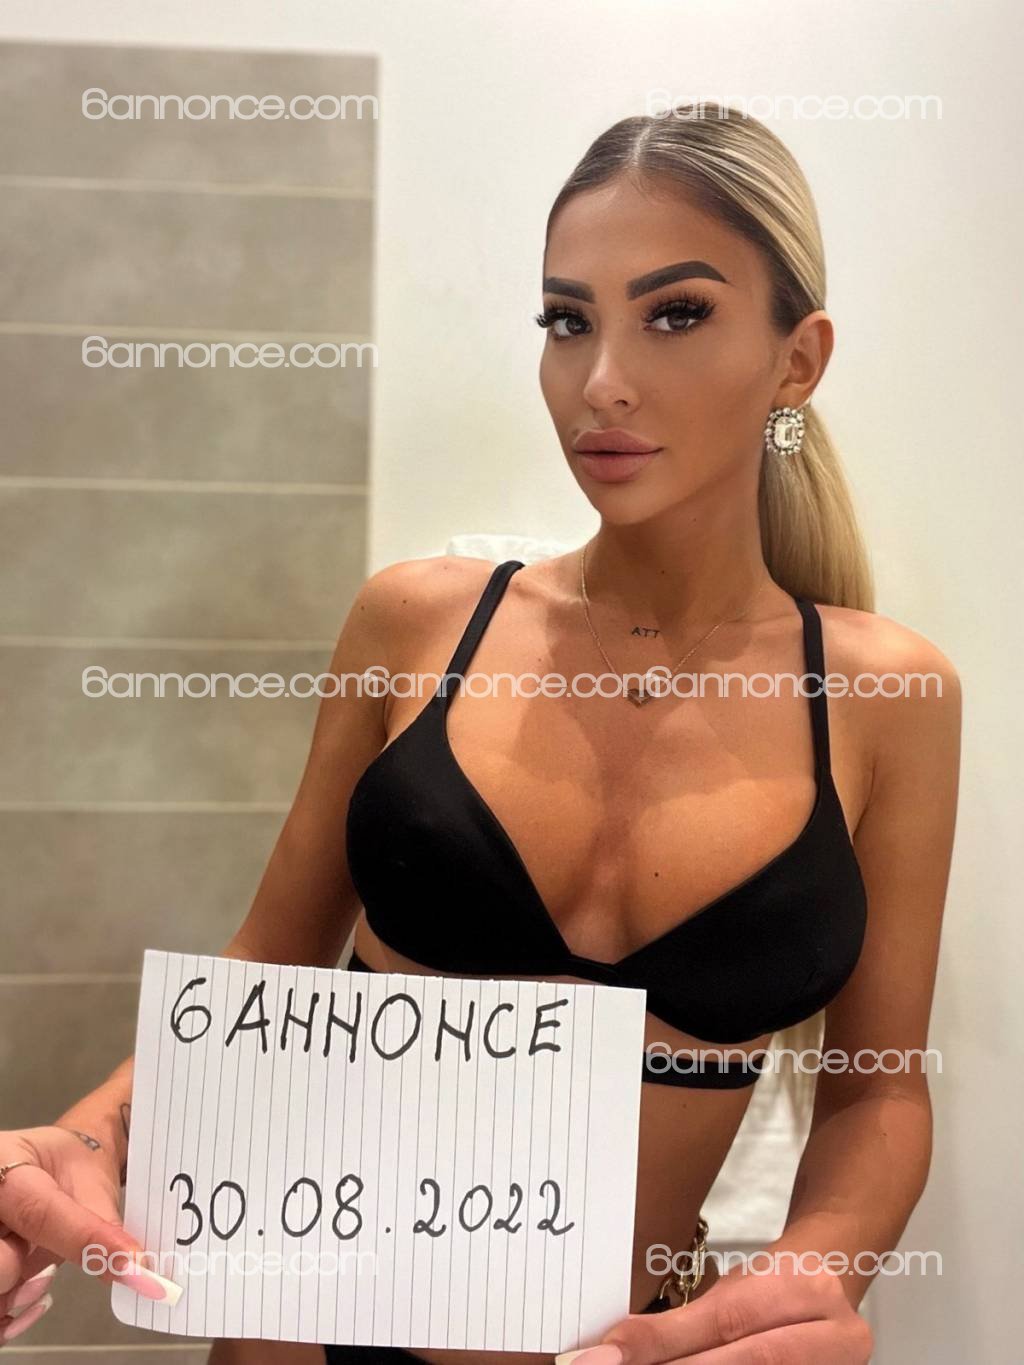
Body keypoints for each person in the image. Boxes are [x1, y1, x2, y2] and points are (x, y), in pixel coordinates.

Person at [0, 103, 960, 1365]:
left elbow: (876, 1088)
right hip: (300, 1339)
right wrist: (83, 1142)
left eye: (675, 314)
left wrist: (810, 1274)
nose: (600, 380)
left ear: (798, 359)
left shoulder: (888, 697)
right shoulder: (418, 624)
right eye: (566, 321)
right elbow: (265, 973)